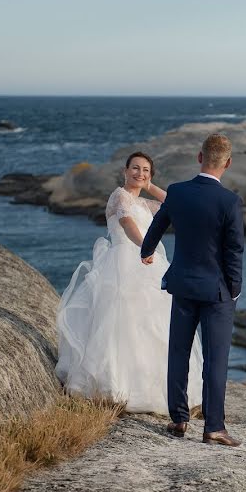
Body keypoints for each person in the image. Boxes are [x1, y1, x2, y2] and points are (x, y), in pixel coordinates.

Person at [55, 152, 203, 413]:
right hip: (125, 261)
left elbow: (175, 202)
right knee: (122, 324)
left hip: (148, 263)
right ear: (125, 171)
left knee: (153, 326)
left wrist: (150, 187)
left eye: (146, 170)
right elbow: (127, 224)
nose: (140, 173)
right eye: (135, 168)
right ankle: (116, 387)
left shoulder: (146, 203)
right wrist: (146, 248)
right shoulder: (119, 196)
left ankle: (156, 389)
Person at [141, 134, 245, 447]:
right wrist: (235, 288)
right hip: (217, 293)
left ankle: (178, 419)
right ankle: (213, 427)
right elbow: (234, 250)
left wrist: (145, 250)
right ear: (227, 163)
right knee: (216, 360)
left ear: (199, 157)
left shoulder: (177, 192)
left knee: (178, 352)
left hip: (183, 286)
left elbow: (156, 228)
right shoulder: (230, 201)